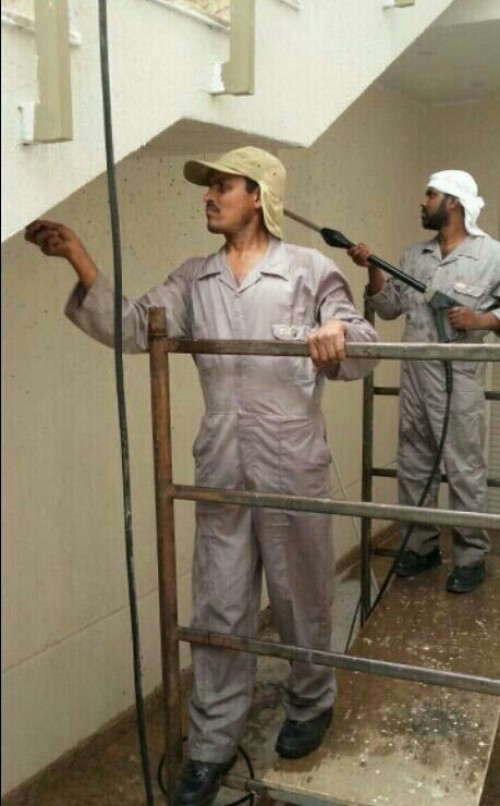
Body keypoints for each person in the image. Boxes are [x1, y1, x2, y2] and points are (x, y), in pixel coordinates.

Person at [25, 146, 379, 806]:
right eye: (209, 186)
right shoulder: (196, 278)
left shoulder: (308, 269)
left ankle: (311, 702)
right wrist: (78, 257)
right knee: (219, 603)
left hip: (292, 460)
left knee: (301, 594)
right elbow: (138, 328)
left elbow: (362, 344)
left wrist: (337, 333)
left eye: (223, 185)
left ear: (259, 195)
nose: (209, 196)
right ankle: (212, 742)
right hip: (221, 462)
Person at [348, 169, 500, 596]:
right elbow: (389, 306)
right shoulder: (415, 256)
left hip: (459, 376)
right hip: (415, 374)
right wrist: (373, 270)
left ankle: (471, 557)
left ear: (452, 201)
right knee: (414, 463)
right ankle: (421, 547)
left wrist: (481, 319)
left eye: (429, 194)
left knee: (464, 467)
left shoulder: (492, 255)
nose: (423, 201)